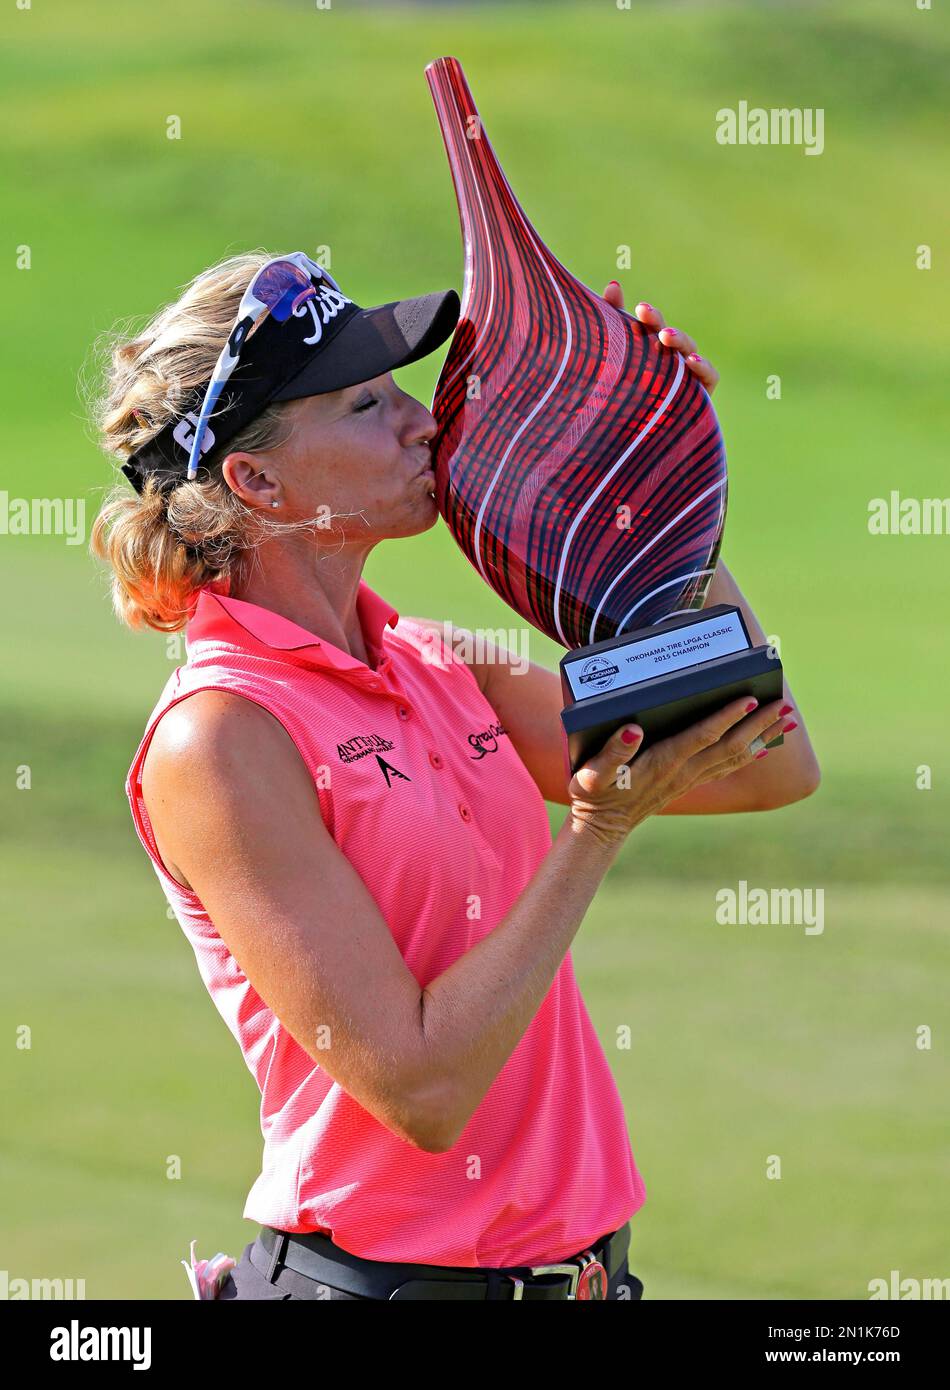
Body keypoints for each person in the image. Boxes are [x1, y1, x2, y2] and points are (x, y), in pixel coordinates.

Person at [88, 249, 820, 1301]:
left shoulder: (442, 661)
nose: (420, 421)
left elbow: (764, 762)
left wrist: (658, 497)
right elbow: (420, 1085)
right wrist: (593, 835)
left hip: (583, 1279)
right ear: (256, 480)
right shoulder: (220, 735)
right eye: (362, 404)